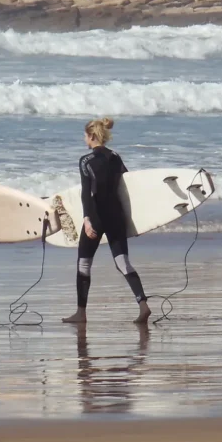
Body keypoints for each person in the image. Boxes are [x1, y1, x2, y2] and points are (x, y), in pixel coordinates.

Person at [62, 118, 151, 326]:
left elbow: (86, 194)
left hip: (97, 216)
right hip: (117, 216)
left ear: (92, 136)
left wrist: (87, 220)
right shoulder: (115, 157)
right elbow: (128, 187)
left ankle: (81, 313)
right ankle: (143, 304)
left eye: (85, 135)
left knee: (84, 263)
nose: (84, 139)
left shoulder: (86, 160)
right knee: (122, 262)